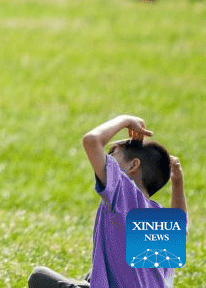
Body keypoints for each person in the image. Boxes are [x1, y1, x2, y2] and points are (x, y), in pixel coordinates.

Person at [28, 115, 186, 288]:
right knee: (94, 272)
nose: (107, 157)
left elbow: (91, 140)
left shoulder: (123, 191)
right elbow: (181, 224)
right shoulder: (157, 217)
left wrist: (125, 120)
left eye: (113, 153)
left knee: (39, 277)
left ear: (133, 166)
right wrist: (177, 182)